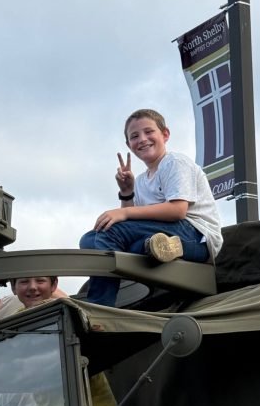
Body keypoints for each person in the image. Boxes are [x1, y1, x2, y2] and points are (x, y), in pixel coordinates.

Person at [79, 108, 223, 306]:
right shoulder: (141, 181)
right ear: (129, 145)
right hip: (161, 235)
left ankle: (100, 305)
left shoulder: (174, 162)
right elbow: (132, 224)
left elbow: (177, 210)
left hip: (195, 236)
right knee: (89, 240)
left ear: (165, 134)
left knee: (110, 233)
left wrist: (124, 211)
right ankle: (158, 245)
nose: (142, 139)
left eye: (149, 132)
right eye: (135, 136)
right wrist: (127, 192)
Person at [11, 276, 116, 406]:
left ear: (54, 285)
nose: (32, 287)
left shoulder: (72, 311)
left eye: (40, 281)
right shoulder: (14, 323)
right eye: (24, 281)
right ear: (14, 288)